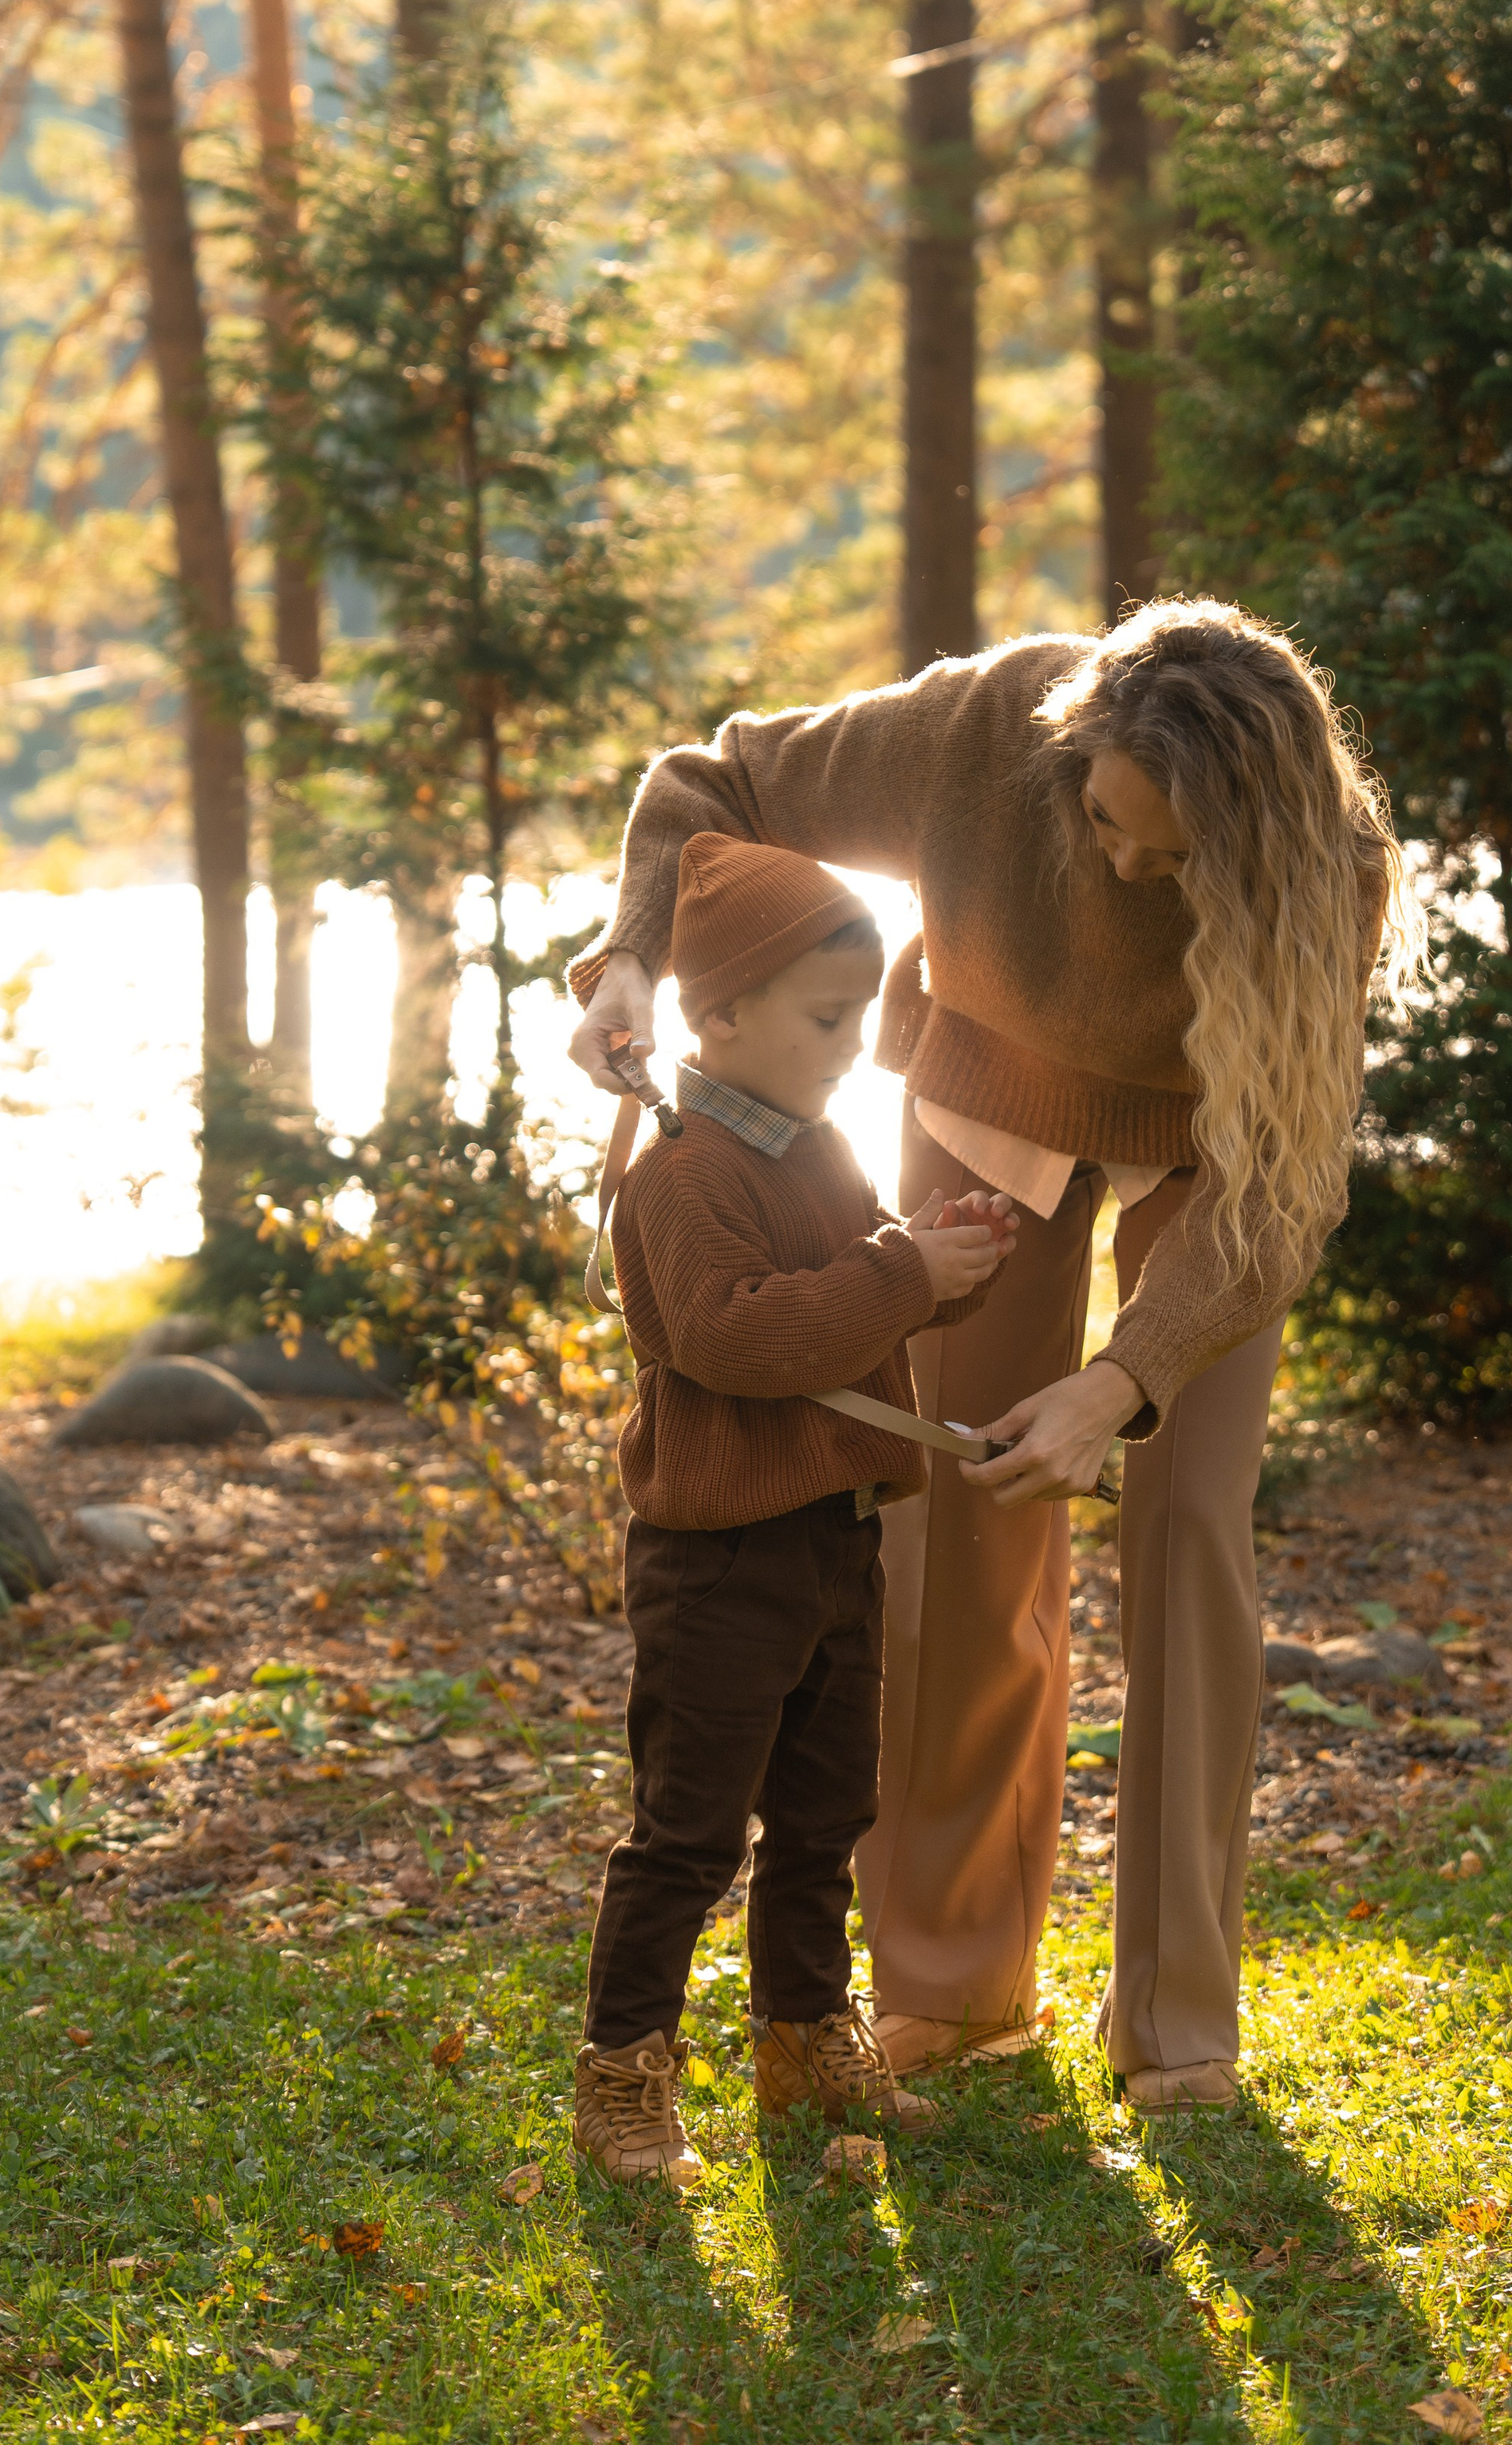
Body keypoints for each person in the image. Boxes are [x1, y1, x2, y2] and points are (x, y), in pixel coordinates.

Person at [570, 597, 1413, 2114]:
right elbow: (718, 778)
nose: (1129, 867)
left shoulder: (1324, 873)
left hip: (1211, 1171)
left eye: (1174, 856)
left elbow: (1281, 1180)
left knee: (1191, 1535)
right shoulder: (981, 732)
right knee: (951, 1531)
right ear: (1072, 752)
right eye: (1108, 823)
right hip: (982, 1126)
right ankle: (952, 1992)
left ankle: (1176, 2019)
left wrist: (1125, 1376)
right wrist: (634, 955)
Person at [573, 829, 1018, 2186]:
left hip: (834, 1543)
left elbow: (856, 1320)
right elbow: (741, 1340)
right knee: (691, 1828)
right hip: (718, 1561)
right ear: (718, 1015)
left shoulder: (816, 1151)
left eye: (863, 1015)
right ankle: (622, 2071)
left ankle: (805, 2036)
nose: (853, 1043)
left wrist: (951, 1266)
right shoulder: (683, 1174)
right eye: (828, 1017)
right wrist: (900, 1275)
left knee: (827, 1815)